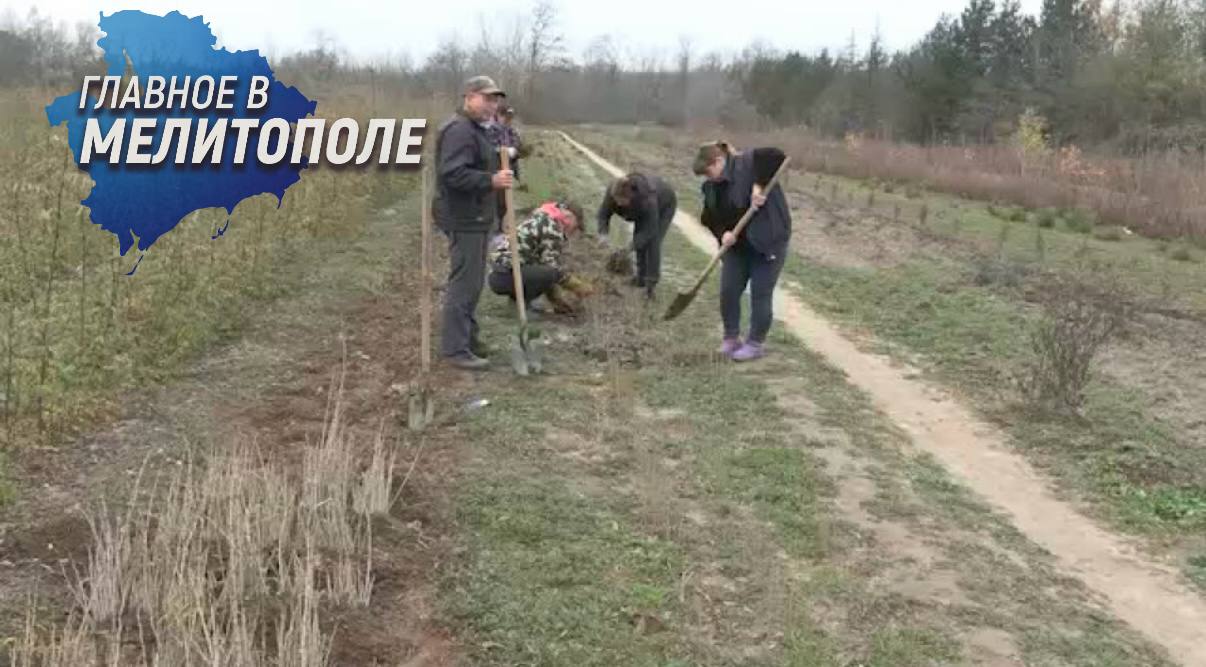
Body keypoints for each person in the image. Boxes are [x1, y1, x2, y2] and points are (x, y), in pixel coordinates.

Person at [433, 75, 513, 371]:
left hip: (477, 217)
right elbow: (452, 174)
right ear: (469, 97)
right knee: (465, 284)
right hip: (464, 217)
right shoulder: (460, 131)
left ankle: (469, 339)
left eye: (495, 100)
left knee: (473, 283)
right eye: (486, 98)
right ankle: (455, 349)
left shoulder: (477, 130)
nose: (492, 105)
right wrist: (490, 180)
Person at [693, 140, 791, 362]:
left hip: (767, 243)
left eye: (708, 172)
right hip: (737, 248)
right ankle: (731, 338)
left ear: (719, 161)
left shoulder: (748, 163)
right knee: (728, 291)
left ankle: (755, 344)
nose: (708, 178)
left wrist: (758, 185)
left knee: (760, 294)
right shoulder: (710, 187)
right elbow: (709, 218)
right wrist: (723, 234)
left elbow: (776, 155)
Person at [488, 200, 589, 315]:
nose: (573, 232)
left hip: (500, 274)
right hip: (506, 274)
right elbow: (552, 270)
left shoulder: (543, 219)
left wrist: (557, 302)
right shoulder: (552, 229)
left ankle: (517, 304)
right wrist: (577, 286)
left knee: (543, 272)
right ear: (569, 217)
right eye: (576, 227)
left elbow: (545, 269)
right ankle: (522, 307)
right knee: (550, 273)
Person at [596, 172, 676, 299]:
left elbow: (649, 231)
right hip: (641, 210)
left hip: (665, 204)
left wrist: (630, 247)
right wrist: (603, 234)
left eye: (622, 201)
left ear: (631, 196)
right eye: (617, 200)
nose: (619, 204)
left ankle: (650, 286)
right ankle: (640, 279)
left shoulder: (647, 200)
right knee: (638, 237)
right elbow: (603, 214)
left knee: (652, 242)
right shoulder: (612, 192)